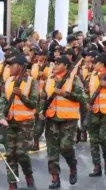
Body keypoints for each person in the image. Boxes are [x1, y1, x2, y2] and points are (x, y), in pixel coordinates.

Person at [39, 56, 86, 189]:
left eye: (58, 64)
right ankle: (55, 178)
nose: (55, 66)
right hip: (51, 118)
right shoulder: (50, 80)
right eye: (55, 63)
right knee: (52, 150)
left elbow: (82, 98)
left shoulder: (74, 79)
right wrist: (41, 110)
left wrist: (65, 94)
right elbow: (43, 96)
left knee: (66, 147)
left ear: (66, 66)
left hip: (68, 119)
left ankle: (72, 166)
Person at [0, 51, 38, 189]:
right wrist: (1, 115)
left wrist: (21, 95)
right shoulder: (8, 81)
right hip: (10, 122)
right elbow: (2, 100)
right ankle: (12, 182)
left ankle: (28, 174)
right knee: (10, 154)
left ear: (20, 66)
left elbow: (33, 104)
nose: (9, 68)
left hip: (25, 123)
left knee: (21, 153)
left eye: (12, 65)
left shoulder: (32, 82)